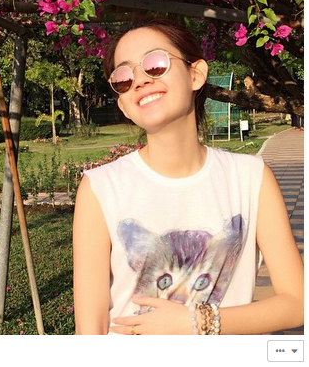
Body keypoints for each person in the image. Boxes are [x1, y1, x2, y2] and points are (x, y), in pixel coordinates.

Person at [73, 17, 303, 335]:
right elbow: (90, 329)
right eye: (124, 77)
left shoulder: (251, 178)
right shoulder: (100, 188)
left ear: (196, 74)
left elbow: (297, 303)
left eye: (155, 64)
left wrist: (196, 321)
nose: (140, 80)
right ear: (123, 105)